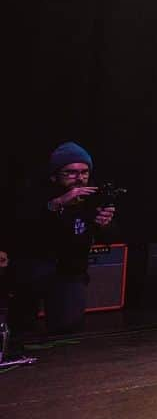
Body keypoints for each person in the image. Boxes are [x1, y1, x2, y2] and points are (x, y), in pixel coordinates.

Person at [8, 142, 115, 339]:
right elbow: (22, 229)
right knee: (21, 325)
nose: (79, 178)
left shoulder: (93, 198)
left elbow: (104, 240)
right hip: (34, 267)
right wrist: (57, 204)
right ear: (54, 175)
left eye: (84, 172)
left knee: (68, 329)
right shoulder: (35, 193)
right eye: (71, 173)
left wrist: (104, 224)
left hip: (69, 271)